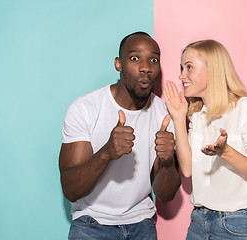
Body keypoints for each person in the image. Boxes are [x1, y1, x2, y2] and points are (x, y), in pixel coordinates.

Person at [59, 31, 181, 240]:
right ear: (118, 64)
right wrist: (107, 152)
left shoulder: (166, 115)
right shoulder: (85, 108)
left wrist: (168, 161)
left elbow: (165, 194)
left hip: (142, 224)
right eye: (135, 58)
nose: (145, 67)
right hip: (92, 225)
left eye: (153, 59)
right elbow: (71, 189)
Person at [164, 39, 247, 240]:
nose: (181, 75)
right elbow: (187, 169)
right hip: (199, 222)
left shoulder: (246, 109)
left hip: (238, 224)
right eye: (181, 68)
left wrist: (226, 152)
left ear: (213, 69)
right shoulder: (199, 115)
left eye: (189, 67)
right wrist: (178, 116)